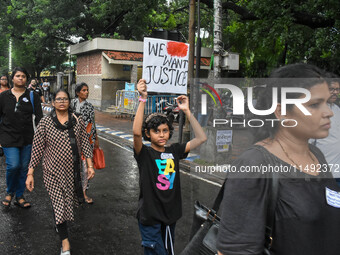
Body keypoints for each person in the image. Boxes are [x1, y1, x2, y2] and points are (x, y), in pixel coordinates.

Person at [217, 63, 340, 255]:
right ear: (282, 112)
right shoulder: (254, 164)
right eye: (314, 105)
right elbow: (234, 250)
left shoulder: (317, 156)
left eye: (326, 103)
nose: (329, 112)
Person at [133, 79, 207, 255]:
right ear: (148, 134)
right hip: (150, 217)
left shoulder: (175, 150)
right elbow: (136, 132)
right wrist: (143, 99)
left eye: (165, 130)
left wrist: (187, 111)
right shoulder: (144, 153)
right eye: (156, 131)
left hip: (169, 217)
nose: (161, 135)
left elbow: (201, 138)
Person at [26, 89, 94, 255]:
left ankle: (59, 222)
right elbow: (37, 148)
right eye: (58, 99)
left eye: (65, 99)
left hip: (72, 172)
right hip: (52, 172)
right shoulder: (45, 123)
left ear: (69, 102)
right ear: (53, 102)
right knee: (59, 204)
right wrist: (30, 172)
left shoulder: (77, 121)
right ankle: (65, 243)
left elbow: (85, 143)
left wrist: (90, 165)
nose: (62, 101)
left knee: (66, 203)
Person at [0, 67, 43, 208]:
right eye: (17, 76)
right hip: (8, 137)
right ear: (12, 78)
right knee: (13, 165)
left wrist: (42, 136)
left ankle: (19, 196)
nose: (20, 78)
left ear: (26, 79)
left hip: (27, 138)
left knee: (24, 167)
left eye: (23, 76)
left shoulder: (32, 96)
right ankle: (9, 192)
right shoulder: (3, 96)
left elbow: (39, 118)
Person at [70, 82, 99, 204]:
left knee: (86, 168)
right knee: (72, 166)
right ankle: (72, 192)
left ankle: (84, 192)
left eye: (87, 90)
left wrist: (95, 139)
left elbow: (92, 123)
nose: (86, 92)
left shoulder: (89, 106)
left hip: (87, 140)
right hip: (71, 140)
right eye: (83, 90)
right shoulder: (71, 103)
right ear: (77, 92)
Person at [311, 74, 340, 186]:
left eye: (337, 89)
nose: (335, 92)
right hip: (324, 170)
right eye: (331, 89)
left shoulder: (337, 110)